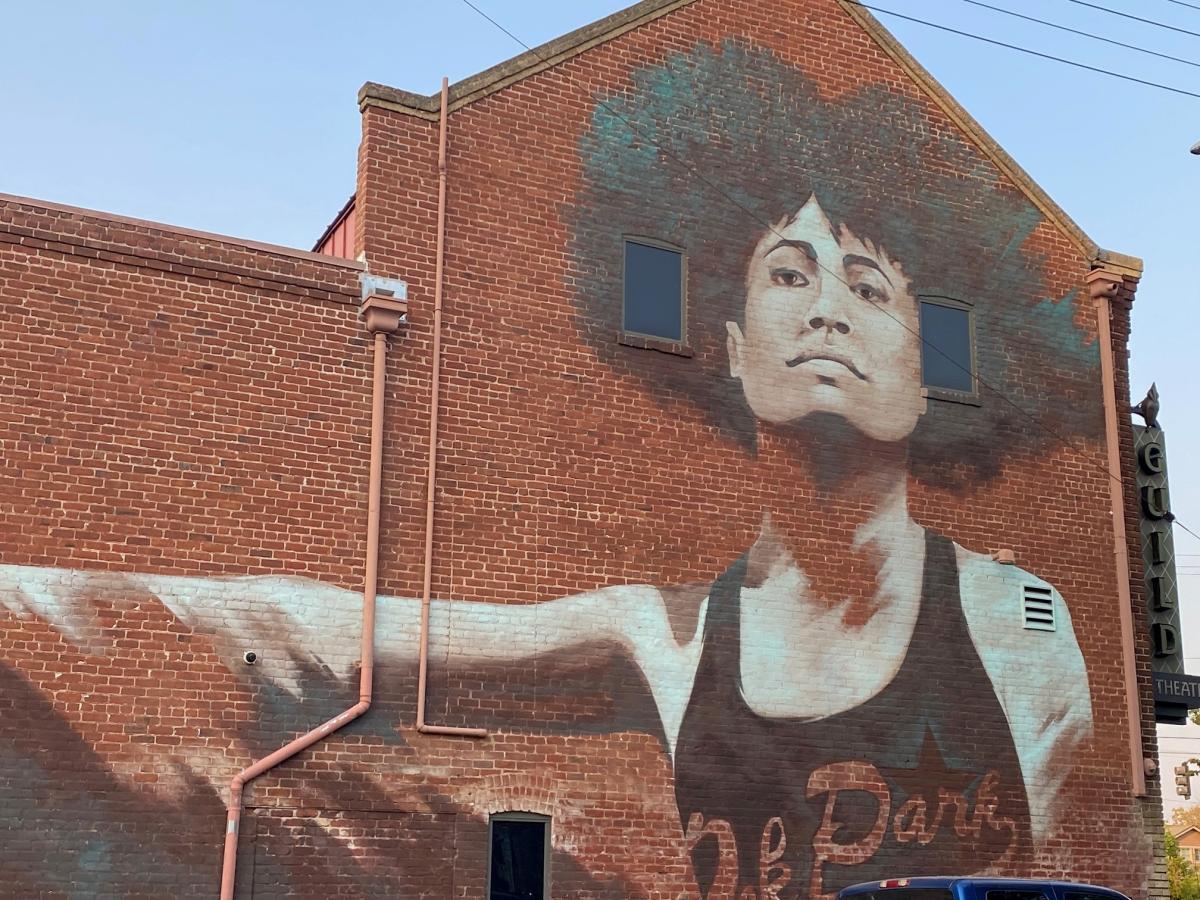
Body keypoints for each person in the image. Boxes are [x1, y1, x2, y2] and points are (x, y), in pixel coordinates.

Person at [1, 40, 1105, 900]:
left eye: (869, 288)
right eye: (788, 273)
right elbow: (311, 632)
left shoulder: (1017, 628)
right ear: (730, 349)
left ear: (928, 374)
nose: (828, 308)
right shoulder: (665, 636)